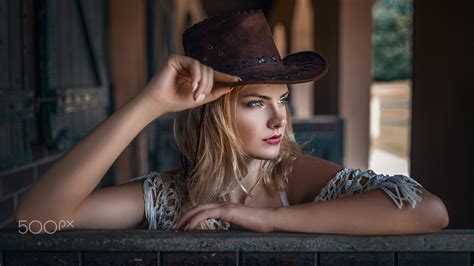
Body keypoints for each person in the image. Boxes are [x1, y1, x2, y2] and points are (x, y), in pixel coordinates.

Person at [15, 10, 448, 234]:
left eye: (282, 100)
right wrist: (149, 104)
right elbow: (36, 218)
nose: (280, 118)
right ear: (213, 113)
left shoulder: (292, 176)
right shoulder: (168, 194)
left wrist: (268, 221)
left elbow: (429, 211)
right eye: (256, 104)